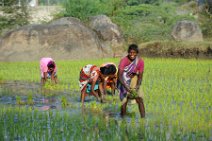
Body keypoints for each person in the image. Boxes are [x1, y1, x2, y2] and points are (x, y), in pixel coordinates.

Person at [117, 44, 145, 118]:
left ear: (137, 53)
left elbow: (140, 76)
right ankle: (123, 118)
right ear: (128, 52)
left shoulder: (140, 62)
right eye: (130, 52)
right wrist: (125, 87)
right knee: (124, 100)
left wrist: (137, 87)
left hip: (134, 79)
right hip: (124, 80)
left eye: (134, 53)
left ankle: (143, 118)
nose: (132, 54)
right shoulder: (124, 61)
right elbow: (119, 76)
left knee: (139, 99)